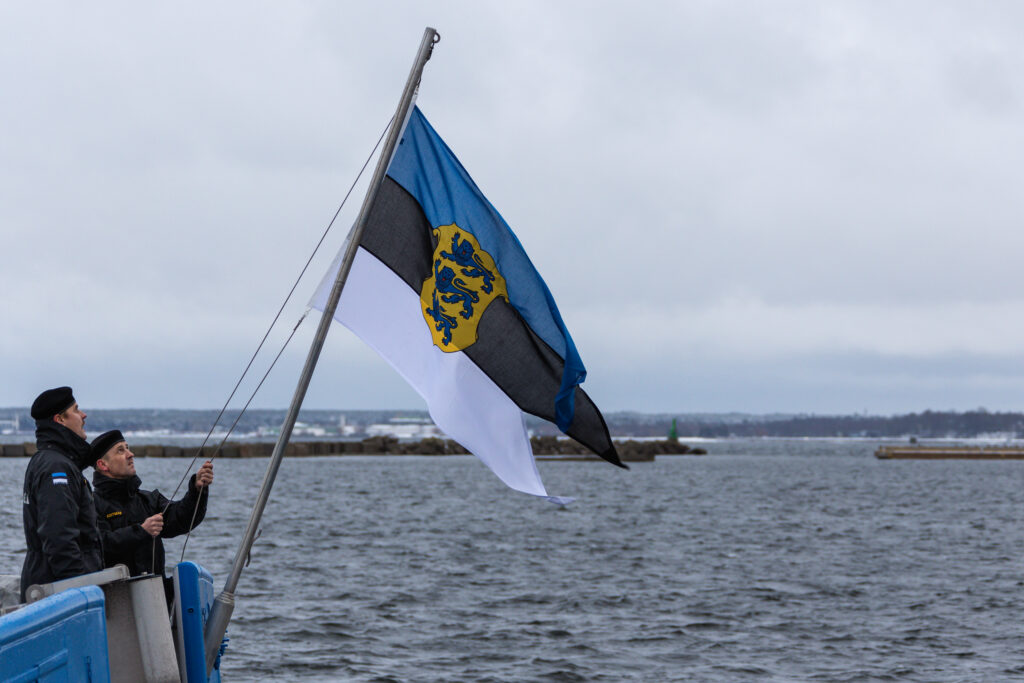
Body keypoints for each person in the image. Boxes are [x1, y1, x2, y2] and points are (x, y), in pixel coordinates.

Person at [90, 430, 213, 577]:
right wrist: (141, 531)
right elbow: (97, 546)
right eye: (120, 450)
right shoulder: (91, 505)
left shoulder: (148, 500)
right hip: (116, 590)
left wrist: (197, 490)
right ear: (103, 464)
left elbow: (182, 518)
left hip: (155, 589)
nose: (130, 454)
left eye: (128, 448)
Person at [20, 386, 103, 601]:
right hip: (60, 592)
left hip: (49, 582)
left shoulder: (53, 461)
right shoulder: (56, 467)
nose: (83, 415)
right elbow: (59, 537)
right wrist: (78, 593)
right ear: (60, 420)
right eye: (76, 410)